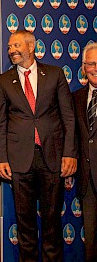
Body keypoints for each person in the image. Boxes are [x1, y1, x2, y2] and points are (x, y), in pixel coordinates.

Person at [0, 30, 77, 261]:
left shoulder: (55, 74)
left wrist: (70, 153)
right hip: (19, 160)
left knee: (52, 222)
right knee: (25, 225)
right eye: (10, 47)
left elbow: (68, 117)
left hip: (52, 157)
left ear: (31, 47)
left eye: (16, 45)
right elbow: (1, 122)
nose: (11, 50)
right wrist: (1, 158)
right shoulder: (3, 81)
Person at [72, 42, 97, 262]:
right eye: (91, 63)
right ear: (83, 67)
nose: (95, 68)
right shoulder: (76, 98)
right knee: (91, 241)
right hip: (87, 181)